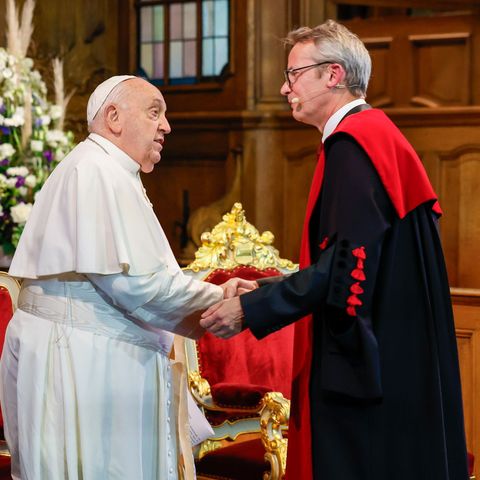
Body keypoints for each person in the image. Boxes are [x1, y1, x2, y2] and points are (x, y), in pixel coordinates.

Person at [200, 20, 469, 480]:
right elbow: (348, 260)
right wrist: (266, 285)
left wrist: (251, 309)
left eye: (293, 74)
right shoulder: (373, 136)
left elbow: (343, 269)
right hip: (395, 354)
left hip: (365, 377)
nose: (285, 89)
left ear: (333, 74)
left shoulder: (352, 145)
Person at [0, 75, 250, 480]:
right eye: (155, 112)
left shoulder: (107, 169)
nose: (166, 126)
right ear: (113, 117)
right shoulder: (96, 171)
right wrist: (217, 297)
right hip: (81, 360)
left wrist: (214, 293)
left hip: (88, 352)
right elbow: (135, 284)